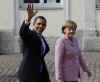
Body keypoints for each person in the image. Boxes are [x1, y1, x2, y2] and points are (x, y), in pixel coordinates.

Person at [18, 4, 50, 82]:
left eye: (43, 24)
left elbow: (40, 57)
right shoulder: (30, 35)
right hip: (28, 73)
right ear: (33, 24)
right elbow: (22, 32)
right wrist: (29, 18)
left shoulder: (41, 38)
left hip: (40, 73)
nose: (41, 26)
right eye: (38, 24)